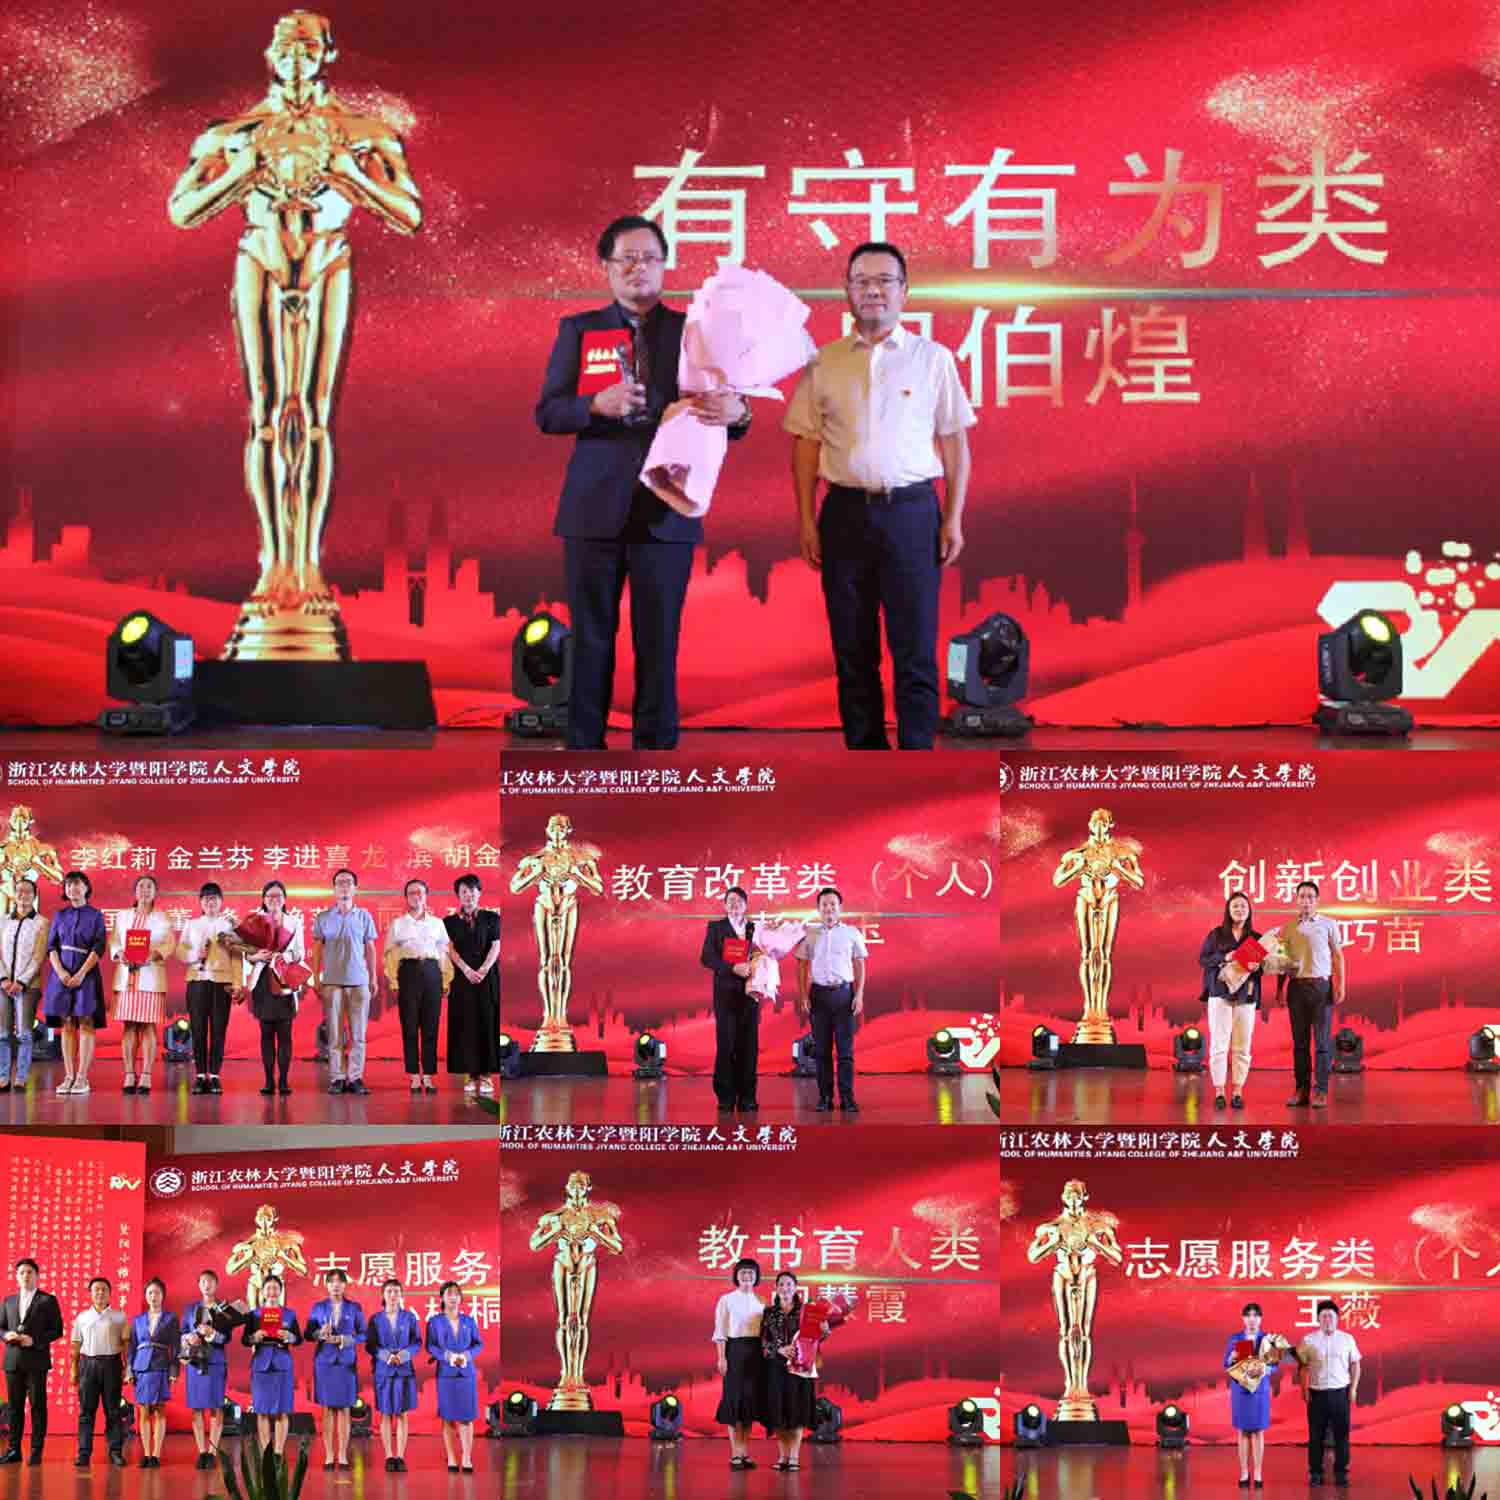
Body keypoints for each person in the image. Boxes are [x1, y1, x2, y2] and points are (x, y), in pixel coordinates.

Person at [535, 213, 751, 749]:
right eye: (627, 259)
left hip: (667, 505)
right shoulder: (579, 330)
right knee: (590, 640)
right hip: (593, 510)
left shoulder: (693, 332)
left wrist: (738, 410)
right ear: (606, 267)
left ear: (665, 265)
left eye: (649, 258)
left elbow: (732, 411)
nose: (639, 268)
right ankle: (584, 754)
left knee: (658, 641)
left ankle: (655, 758)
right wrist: (595, 405)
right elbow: (548, 413)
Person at [785, 240, 976, 750]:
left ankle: (916, 760)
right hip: (844, 514)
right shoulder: (823, 363)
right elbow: (805, 445)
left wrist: (952, 518)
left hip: (912, 513)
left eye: (884, 281)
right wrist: (806, 520)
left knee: (914, 646)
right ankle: (865, 758)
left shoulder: (932, 359)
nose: (873, 290)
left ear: (904, 292)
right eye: (861, 281)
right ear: (847, 291)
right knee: (853, 647)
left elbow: (954, 442)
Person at [794, 887, 868, 1112]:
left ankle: (847, 1098)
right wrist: (803, 994)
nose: (829, 908)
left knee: (845, 1051)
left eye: (833, 904)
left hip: (844, 996)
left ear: (840, 908)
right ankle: (825, 1097)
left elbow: (859, 963)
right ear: (818, 909)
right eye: (824, 904)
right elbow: (802, 964)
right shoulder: (810, 934)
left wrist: (859, 993)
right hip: (818, 996)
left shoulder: (852, 933)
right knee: (822, 1051)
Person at [232, 880, 306, 1097]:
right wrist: (258, 956)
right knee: (266, 1033)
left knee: (285, 1033)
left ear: (285, 899)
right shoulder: (254, 921)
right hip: (263, 980)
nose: (274, 900)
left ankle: (283, 1080)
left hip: (283, 978)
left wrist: (284, 956)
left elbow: (300, 952)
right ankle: (268, 1080)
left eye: (278, 896)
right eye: (270, 896)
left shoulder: (294, 922)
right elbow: (247, 954)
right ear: (263, 899)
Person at [1275, 880, 1346, 1109]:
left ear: (1317, 901)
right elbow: (1282, 961)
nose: (1306, 901)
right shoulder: (1287, 929)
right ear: (1296, 900)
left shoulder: (1329, 924)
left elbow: (1337, 956)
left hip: (1321, 987)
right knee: (1300, 1043)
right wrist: (1279, 989)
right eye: (1302, 897)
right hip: (1296, 988)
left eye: (1310, 897)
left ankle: (1321, 1090)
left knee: (1322, 1043)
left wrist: (1340, 985)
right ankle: (1302, 1090)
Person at [312, 869, 378, 1097]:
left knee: (359, 1034)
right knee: (335, 1034)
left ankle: (355, 1077)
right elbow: (317, 948)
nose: (344, 886)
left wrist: (373, 977)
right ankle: (338, 1077)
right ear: (334, 889)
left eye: (348, 882)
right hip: (332, 982)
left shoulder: (364, 917)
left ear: (355, 888)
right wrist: (316, 976)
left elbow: (370, 948)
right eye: (340, 882)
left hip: (359, 982)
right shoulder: (323, 918)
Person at [109, 874, 176, 1096]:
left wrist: (154, 954)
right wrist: (119, 952)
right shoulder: (122, 916)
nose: (145, 890)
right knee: (129, 1026)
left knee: (148, 1026)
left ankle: (146, 1074)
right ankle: (129, 1073)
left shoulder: (163, 918)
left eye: (149, 887)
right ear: (134, 891)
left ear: (155, 893)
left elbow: (169, 944)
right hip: (127, 977)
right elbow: (114, 940)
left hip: (151, 977)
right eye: (141, 886)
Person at [384, 878, 451, 1095]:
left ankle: (429, 1076)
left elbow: (444, 953)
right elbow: (390, 955)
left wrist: (445, 979)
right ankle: (414, 1076)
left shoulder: (437, 924)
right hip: (408, 973)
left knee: (431, 1026)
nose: (417, 896)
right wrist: (394, 980)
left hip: (432, 973)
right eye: (412, 893)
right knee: (410, 1026)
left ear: (426, 896)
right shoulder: (398, 924)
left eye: (420, 892)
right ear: (406, 898)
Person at [42, 870, 107, 1096]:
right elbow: (51, 947)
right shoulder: (60, 915)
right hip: (61, 975)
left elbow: (99, 946)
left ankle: (82, 1077)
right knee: (67, 1023)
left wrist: (81, 973)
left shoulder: (96, 916)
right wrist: (60, 972)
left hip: (86, 974)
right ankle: (69, 1076)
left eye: (77, 884)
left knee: (86, 1021)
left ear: (86, 888)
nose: (72, 888)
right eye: (68, 885)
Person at [1199, 891, 1263, 1111]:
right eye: (1235, 906)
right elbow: (1203, 959)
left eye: (1243, 906)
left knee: (1242, 1046)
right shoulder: (1217, 935)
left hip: (1246, 996)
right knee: (1219, 1044)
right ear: (1228, 910)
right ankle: (1219, 1091)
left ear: (1249, 910)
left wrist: (1257, 967)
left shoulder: (1256, 938)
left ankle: (1237, 1091)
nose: (1239, 910)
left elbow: (1263, 967)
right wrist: (1225, 957)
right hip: (1220, 994)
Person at [701, 886, 760, 1112]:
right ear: (725, 905)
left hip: (750, 994)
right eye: (731, 901)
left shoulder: (755, 928)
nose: (735, 905)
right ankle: (725, 1097)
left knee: (749, 1046)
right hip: (725, 995)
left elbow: (764, 953)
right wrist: (732, 968)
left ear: (746, 905)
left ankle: (748, 1097)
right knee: (726, 1045)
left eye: (739, 901)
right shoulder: (716, 928)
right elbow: (707, 957)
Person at [177, 882, 239, 1096]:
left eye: (214, 898)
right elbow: (180, 951)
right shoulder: (191, 924)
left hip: (222, 982)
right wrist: (195, 954)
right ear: (200, 902)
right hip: (197, 979)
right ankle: (200, 1074)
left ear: (221, 902)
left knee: (219, 1029)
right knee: (198, 1029)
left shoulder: (229, 925)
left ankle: (214, 1075)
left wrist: (237, 983)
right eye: (206, 898)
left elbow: (237, 956)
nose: (210, 902)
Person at [0, 1257, 64, 1464]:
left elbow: (57, 1330)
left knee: (38, 1406)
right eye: (22, 1272)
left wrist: (35, 1340)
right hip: (13, 1361)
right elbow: (0, 1327)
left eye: (29, 1272)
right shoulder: (8, 1301)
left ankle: (36, 1451)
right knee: (14, 1408)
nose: (25, 1275)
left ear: (37, 1276)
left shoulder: (47, 1300)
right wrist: (6, 1335)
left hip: (36, 1361)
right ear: (16, 1277)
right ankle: (14, 1450)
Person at [442, 874, 500, 1096]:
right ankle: (470, 1073)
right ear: (458, 895)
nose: (469, 895)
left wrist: (483, 970)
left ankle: (486, 1075)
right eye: (464, 892)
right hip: (462, 979)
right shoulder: (449, 922)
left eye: (473, 891)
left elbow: (495, 946)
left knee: (487, 1022)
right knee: (466, 1024)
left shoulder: (491, 918)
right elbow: (450, 949)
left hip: (487, 978)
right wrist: (466, 970)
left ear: (479, 893)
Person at [306, 1268, 365, 1470]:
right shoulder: (318, 1307)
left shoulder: (354, 1307)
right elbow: (308, 1334)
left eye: (339, 1281)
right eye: (331, 1281)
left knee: (345, 1409)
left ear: (345, 1285)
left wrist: (345, 1339)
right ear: (326, 1285)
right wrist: (319, 1333)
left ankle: (343, 1455)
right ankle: (329, 1456)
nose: (336, 1285)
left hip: (346, 1362)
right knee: (328, 1409)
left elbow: (363, 1334)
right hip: (324, 1362)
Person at [1297, 1299, 1360, 1487]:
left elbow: (1355, 1364)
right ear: (1318, 1319)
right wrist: (1304, 1389)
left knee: (1342, 1435)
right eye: (1323, 1316)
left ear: (1337, 1318)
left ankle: (1341, 1472)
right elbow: (1302, 1367)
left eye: (1330, 1316)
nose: (1327, 1320)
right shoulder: (1309, 1340)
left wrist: (1353, 1388)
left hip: (1340, 1393)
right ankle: (1316, 1473)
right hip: (1316, 1394)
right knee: (1316, 1436)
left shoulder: (1347, 1339)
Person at [70, 1275, 128, 1469]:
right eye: (96, 1289)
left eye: (104, 1289)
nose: (100, 1292)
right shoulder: (82, 1317)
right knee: (86, 1412)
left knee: (113, 1411)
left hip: (112, 1364)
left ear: (110, 1293)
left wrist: (127, 1368)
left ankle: (115, 1451)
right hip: (88, 1365)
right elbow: (76, 1345)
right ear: (90, 1293)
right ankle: (84, 1453)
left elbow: (126, 1345)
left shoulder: (119, 1316)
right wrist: (73, 1369)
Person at [712, 1257, 765, 1472]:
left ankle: (744, 1453)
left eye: (751, 1273)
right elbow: (720, 1332)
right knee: (734, 1401)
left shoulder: (762, 1301)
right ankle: (735, 1454)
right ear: (736, 1276)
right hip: (734, 1352)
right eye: (743, 1272)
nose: (747, 1276)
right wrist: (721, 1357)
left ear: (756, 1277)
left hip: (756, 1354)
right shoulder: (726, 1300)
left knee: (749, 1404)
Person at [365, 1277, 421, 1472]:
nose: (393, 1295)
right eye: (389, 1291)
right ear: (383, 1295)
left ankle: (401, 1456)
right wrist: (386, 1356)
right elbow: (370, 1345)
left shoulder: (409, 1318)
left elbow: (417, 1342)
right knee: (386, 1413)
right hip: (384, 1370)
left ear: (401, 1295)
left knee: (403, 1413)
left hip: (404, 1370)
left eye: (396, 1291)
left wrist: (404, 1355)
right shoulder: (375, 1319)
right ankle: (389, 1455)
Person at [242, 1274, 302, 1455]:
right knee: (262, 1410)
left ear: (280, 1291)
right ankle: (266, 1452)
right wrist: (254, 1337)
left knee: (282, 1410)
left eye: (275, 1288)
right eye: (268, 1288)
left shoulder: (289, 1314)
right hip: (261, 1364)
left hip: (282, 1363)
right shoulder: (254, 1315)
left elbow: (299, 1339)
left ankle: (278, 1452)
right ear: (262, 1292)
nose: (272, 1291)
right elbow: (244, 1340)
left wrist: (289, 1336)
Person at [761, 1271, 815, 1473]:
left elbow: (815, 1338)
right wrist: (779, 1350)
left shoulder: (806, 1311)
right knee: (778, 1411)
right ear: (776, 1288)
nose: (785, 1288)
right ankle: (783, 1456)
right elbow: (763, 1341)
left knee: (796, 1410)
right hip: (776, 1366)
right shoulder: (769, 1313)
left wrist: (825, 1330)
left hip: (799, 1366)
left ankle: (794, 1457)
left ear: (796, 1287)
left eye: (789, 1284)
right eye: (781, 1284)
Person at [1223, 1300, 1280, 1488]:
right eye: (1248, 1315)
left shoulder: (1267, 1339)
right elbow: (1226, 1365)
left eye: (1256, 1315)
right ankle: (1244, 1472)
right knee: (1242, 1431)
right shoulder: (1235, 1339)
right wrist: (1231, 1358)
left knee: (1258, 1432)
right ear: (1243, 1318)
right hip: (1241, 1390)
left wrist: (1265, 1370)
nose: (1252, 1319)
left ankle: (1258, 1472)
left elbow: (1275, 1365)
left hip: (1260, 1390)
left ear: (1261, 1318)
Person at [425, 1281, 481, 1473]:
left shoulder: (469, 1321)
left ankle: (466, 1457)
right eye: (449, 1294)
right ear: (442, 1298)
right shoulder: (435, 1322)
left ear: (461, 1298)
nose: (453, 1297)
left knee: (467, 1417)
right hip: (446, 1374)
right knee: (448, 1417)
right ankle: (451, 1457)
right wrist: (447, 1356)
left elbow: (478, 1344)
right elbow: (431, 1346)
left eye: (456, 1294)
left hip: (466, 1373)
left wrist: (467, 1356)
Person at [0, 877, 48, 1093]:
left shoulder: (42, 923)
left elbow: (39, 956)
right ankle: (3, 1077)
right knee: (2, 1034)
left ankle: (21, 1077)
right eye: (19, 891)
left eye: (28, 891)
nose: (23, 895)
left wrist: (21, 981)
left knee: (24, 1034)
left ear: (34, 896)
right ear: (14, 894)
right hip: (3, 984)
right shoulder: (3, 921)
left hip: (28, 986)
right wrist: (4, 979)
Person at [126, 1278, 178, 1469]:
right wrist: (129, 1370)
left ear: (163, 1295)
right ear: (146, 1296)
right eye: (150, 1293)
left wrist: (174, 1370)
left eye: (157, 1292)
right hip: (141, 1367)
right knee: (143, 1410)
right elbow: (131, 1347)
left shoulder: (171, 1318)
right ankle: (146, 1454)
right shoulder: (138, 1320)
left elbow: (176, 1346)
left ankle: (156, 1455)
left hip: (161, 1366)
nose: (153, 1296)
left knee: (159, 1409)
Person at [181, 1269, 231, 1469]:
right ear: (199, 1285)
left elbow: (227, 1337)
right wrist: (189, 1337)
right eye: (203, 1281)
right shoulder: (190, 1309)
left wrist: (212, 1334)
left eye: (210, 1281)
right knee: (197, 1407)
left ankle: (212, 1451)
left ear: (216, 1285)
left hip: (215, 1361)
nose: (207, 1285)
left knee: (216, 1406)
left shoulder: (223, 1308)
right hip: (195, 1362)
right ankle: (202, 1451)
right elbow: (182, 1333)